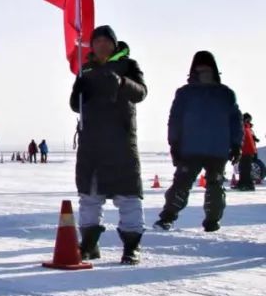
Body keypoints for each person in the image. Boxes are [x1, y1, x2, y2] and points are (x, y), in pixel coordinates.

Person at [72, 25, 148, 265]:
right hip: (91, 143)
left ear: (114, 44)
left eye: (107, 41)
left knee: (128, 197)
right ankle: (89, 244)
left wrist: (122, 82)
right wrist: (78, 89)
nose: (102, 45)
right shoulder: (86, 70)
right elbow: (76, 105)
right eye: (97, 41)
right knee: (90, 196)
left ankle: (131, 247)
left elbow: (141, 93)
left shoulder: (128, 65)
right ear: (91, 46)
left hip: (121, 142)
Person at [153, 52, 243, 232]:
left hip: (216, 149)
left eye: (207, 69)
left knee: (214, 186)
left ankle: (211, 222)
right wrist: (174, 144)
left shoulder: (225, 93)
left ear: (214, 70)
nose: (204, 72)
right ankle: (168, 217)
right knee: (182, 184)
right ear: (193, 71)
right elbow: (175, 119)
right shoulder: (185, 93)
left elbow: (235, 120)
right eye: (200, 69)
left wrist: (236, 144)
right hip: (190, 149)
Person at [237, 113, 259, 191]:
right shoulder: (245, 127)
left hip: (247, 150)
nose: (249, 121)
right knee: (243, 167)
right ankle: (242, 183)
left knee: (245, 168)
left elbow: (249, 139)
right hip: (245, 150)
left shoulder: (246, 127)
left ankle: (247, 184)